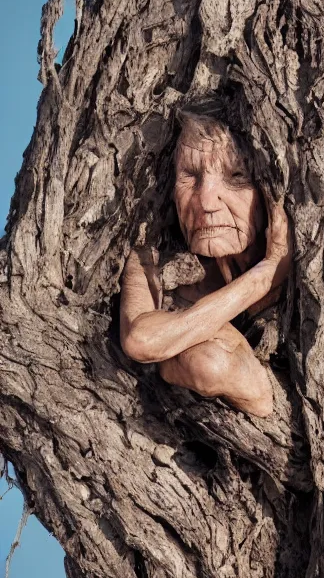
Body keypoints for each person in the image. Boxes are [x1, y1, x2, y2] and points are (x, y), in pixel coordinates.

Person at [119, 111, 292, 417]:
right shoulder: (150, 258)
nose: (206, 202)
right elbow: (141, 338)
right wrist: (263, 277)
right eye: (190, 177)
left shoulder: (303, 285)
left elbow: (261, 401)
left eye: (237, 176)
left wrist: (180, 341)